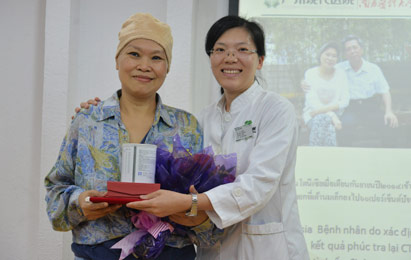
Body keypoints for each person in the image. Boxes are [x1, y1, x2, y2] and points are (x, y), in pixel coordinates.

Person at [82, 15, 308, 259]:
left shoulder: (275, 109)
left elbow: (259, 184)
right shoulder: (198, 121)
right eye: (220, 50)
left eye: (242, 50)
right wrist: (96, 111)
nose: (230, 58)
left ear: (260, 60)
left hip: (266, 248)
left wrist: (189, 202)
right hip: (211, 247)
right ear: (211, 58)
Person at [44, 13, 221, 260]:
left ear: (167, 68)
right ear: (117, 60)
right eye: (134, 54)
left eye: (157, 57)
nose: (145, 65)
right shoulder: (88, 121)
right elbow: (55, 191)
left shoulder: (187, 126)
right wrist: (81, 202)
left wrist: (192, 213)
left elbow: (206, 212)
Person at [336, 35, 398, 146]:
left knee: (389, 124)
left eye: (355, 47)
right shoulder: (339, 69)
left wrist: (389, 111)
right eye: (348, 49)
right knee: (342, 127)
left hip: (370, 107)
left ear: (361, 50)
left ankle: (387, 158)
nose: (352, 51)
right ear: (345, 54)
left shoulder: (373, 69)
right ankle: (347, 159)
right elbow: (322, 72)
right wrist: (303, 81)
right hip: (350, 107)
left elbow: (385, 91)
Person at [302, 42, 349, 146]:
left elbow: (345, 100)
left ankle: (315, 154)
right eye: (327, 54)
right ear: (320, 56)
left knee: (324, 121)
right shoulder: (310, 74)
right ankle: (331, 157)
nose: (330, 58)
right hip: (312, 115)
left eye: (334, 56)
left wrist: (328, 114)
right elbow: (312, 102)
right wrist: (332, 116)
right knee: (324, 121)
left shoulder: (341, 74)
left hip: (332, 115)